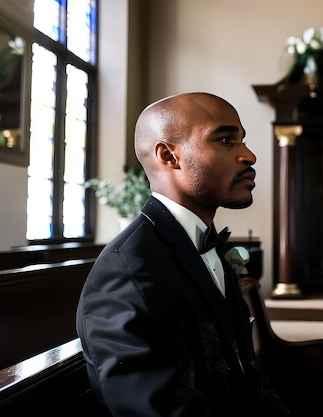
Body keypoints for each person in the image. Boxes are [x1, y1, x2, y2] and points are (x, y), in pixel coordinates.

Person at [76, 92, 289, 416]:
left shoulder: (204, 242)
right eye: (226, 140)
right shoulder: (128, 271)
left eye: (243, 140)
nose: (249, 156)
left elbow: (244, 374)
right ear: (169, 156)